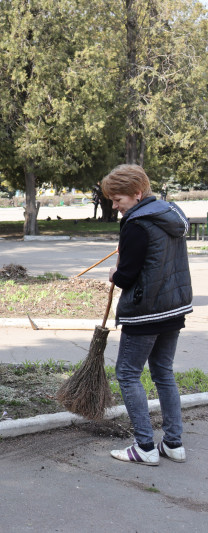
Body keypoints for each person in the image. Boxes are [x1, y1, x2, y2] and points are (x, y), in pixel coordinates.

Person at [102, 164, 192, 466]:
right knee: (163, 373)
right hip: (173, 309)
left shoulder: (136, 224)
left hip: (145, 312)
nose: (115, 207)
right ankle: (173, 444)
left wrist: (115, 272)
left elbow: (127, 277)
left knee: (127, 374)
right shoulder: (169, 216)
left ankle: (144, 446)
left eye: (118, 200)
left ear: (137, 193)